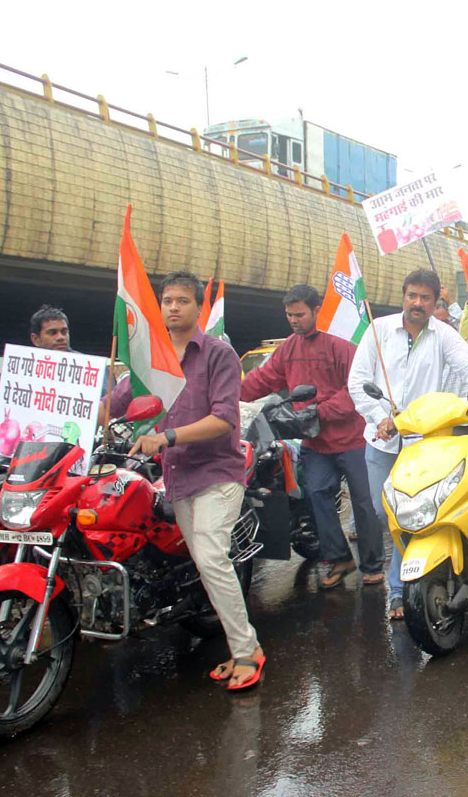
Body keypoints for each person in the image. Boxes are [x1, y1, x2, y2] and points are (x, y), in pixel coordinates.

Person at [114, 271, 263, 691]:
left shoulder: (219, 355)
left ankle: (247, 651)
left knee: (213, 559)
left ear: (199, 307)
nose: (173, 307)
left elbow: (224, 419)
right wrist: (79, 415)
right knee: (199, 562)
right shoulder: (149, 360)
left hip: (218, 473)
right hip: (176, 477)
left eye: (182, 301)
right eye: (167, 301)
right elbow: (119, 400)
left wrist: (165, 437)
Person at [348, 270, 468, 620]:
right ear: (402, 296)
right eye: (412, 295)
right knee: (383, 510)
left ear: (436, 302)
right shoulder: (378, 331)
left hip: (427, 444)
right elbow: (358, 382)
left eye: (425, 298)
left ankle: (401, 590)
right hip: (383, 440)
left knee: (419, 513)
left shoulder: (445, 335)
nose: (417, 303)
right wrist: (380, 418)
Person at [241, 284, 385, 589]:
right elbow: (263, 379)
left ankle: (373, 564)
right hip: (314, 441)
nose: (293, 320)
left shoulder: (341, 346)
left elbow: (357, 388)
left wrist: (321, 411)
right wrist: (229, 390)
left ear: (317, 311)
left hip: (354, 439)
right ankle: (339, 558)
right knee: (316, 496)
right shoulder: (288, 349)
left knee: (364, 502)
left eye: (299, 314)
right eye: (289, 315)